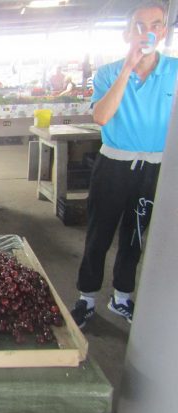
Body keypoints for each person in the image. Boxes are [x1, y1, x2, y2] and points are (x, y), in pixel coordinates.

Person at [70, 1, 178, 328]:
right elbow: (102, 116)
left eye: (155, 25)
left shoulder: (174, 71)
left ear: (164, 31)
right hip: (113, 165)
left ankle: (121, 297)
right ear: (127, 33)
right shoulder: (108, 73)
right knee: (99, 234)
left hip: (155, 168)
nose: (147, 32)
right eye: (139, 26)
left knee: (136, 236)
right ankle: (87, 298)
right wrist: (128, 69)